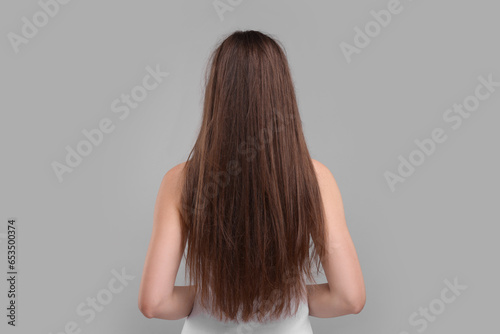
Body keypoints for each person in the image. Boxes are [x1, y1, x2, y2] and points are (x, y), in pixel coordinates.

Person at [138, 30, 365, 333]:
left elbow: (155, 303)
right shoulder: (316, 179)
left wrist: (212, 295)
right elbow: (348, 299)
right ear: (283, 92)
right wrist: (284, 297)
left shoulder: (181, 181)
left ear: (217, 93)